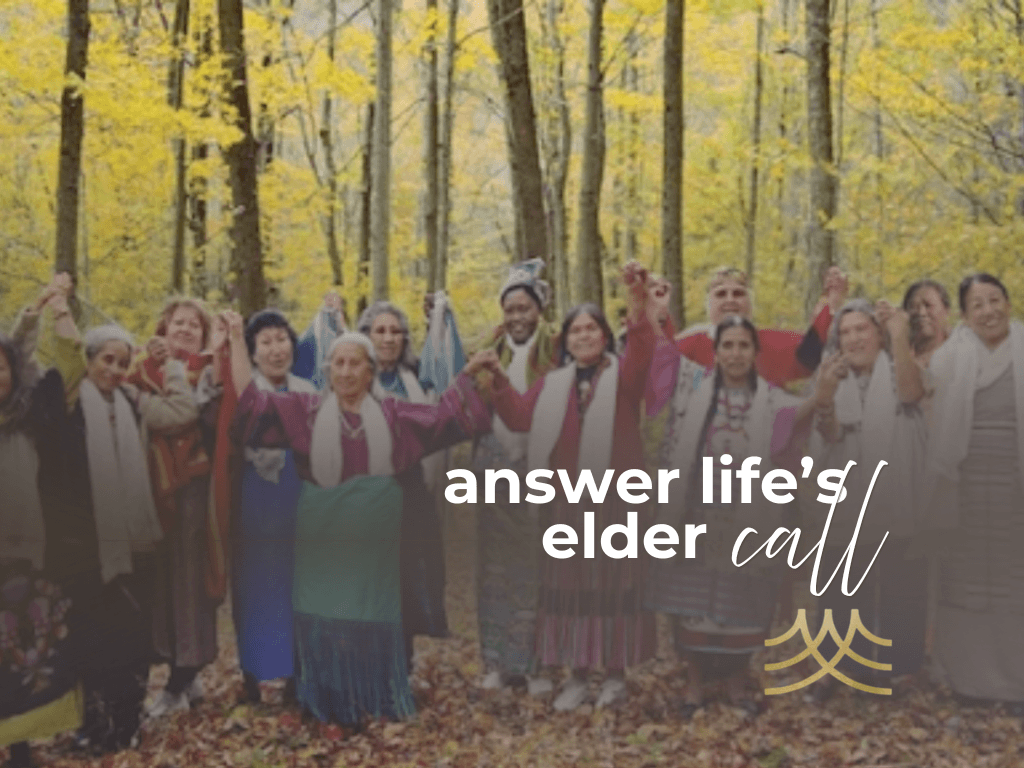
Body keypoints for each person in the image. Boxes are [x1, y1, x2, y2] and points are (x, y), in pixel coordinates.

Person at [227, 316, 492, 727]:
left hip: (375, 546)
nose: (346, 372)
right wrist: (234, 343)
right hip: (322, 541)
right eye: (339, 364)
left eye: (355, 364)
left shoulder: (393, 414)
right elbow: (252, 403)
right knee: (323, 617)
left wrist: (470, 375)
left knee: (369, 616)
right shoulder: (306, 411)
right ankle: (323, 698)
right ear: (328, 370)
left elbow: (443, 417)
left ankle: (374, 694)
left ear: (370, 371)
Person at [470, 262, 656, 711]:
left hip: (616, 505)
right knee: (571, 591)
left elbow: (645, 349)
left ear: (605, 336)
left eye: (592, 329)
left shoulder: (623, 379)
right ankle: (577, 675)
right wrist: (496, 376)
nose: (585, 337)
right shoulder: (552, 384)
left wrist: (637, 300)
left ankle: (613, 675)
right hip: (567, 508)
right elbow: (517, 417)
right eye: (576, 331)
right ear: (565, 340)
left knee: (612, 589)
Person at [41, 276, 196, 753]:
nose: (113, 368)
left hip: (136, 547)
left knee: (130, 645)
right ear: (88, 363)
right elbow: (64, 355)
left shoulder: (132, 403)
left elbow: (182, 412)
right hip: (82, 549)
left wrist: (169, 364)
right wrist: (59, 306)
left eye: (122, 362)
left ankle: (125, 726)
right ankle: (93, 728)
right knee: (88, 644)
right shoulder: (68, 405)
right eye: (105, 360)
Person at [645, 315, 816, 718]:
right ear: (716, 352)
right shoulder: (692, 392)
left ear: (755, 353)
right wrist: (653, 311)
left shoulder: (772, 399)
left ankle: (739, 680)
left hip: (748, 516)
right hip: (696, 511)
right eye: (728, 346)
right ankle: (694, 681)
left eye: (743, 346)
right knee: (692, 597)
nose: (735, 354)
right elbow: (660, 360)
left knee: (742, 600)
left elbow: (798, 420)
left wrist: (823, 390)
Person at [807, 298, 928, 702]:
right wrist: (824, 394)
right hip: (845, 493)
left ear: (877, 333)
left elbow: (912, 396)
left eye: (863, 329)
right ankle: (839, 666)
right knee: (840, 585)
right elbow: (826, 434)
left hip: (895, 487)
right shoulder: (829, 376)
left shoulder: (899, 370)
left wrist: (899, 336)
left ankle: (902, 670)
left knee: (901, 583)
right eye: (846, 332)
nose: (855, 338)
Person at [928, 274, 1024, 707]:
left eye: (995, 300)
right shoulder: (950, 357)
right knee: (966, 581)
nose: (989, 311)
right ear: (965, 316)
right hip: (962, 481)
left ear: (1008, 302)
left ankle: (1016, 681)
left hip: (1015, 479)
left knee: (1012, 579)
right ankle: (970, 682)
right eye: (978, 304)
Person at [131, 298, 225, 718]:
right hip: (149, 488)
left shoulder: (209, 371)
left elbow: (186, 418)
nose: (186, 330)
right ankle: (182, 673)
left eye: (194, 326)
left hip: (193, 488)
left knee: (190, 580)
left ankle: (181, 678)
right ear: (163, 330)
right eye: (178, 323)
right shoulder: (137, 368)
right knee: (160, 583)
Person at [470, 259, 560, 694]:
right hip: (492, 466)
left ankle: (536, 663)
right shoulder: (489, 350)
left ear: (539, 310)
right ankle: (496, 660)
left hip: (541, 469)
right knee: (494, 567)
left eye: (525, 308)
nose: (517, 317)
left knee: (538, 565)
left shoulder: (556, 352)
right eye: (510, 309)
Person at [357, 300, 461, 671]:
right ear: (365, 337)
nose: (388, 339)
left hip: (411, 491)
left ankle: (402, 662)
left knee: (407, 578)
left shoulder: (418, 380)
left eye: (395, 331)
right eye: (379, 331)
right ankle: (368, 665)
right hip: (364, 495)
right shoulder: (352, 377)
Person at [1, 289, 79, 768]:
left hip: (27, 553)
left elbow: (69, 367)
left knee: (22, 655)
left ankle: (22, 746)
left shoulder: (32, 415)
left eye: (1, 367)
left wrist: (54, 313)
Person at [232, 310, 316, 705]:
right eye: (265, 342)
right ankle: (263, 674)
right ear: (252, 352)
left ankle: (302, 670)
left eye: (281, 339)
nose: (275, 349)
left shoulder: (308, 389)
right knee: (262, 582)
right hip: (260, 493)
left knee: (300, 579)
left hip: (301, 490)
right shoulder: (246, 390)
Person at [675, 266, 848, 388]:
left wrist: (832, 302)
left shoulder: (772, 341)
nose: (730, 300)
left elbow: (812, 353)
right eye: (721, 294)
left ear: (750, 303)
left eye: (738, 293)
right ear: (709, 305)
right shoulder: (689, 345)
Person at [902, 279, 951, 368]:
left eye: (928, 305)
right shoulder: (897, 356)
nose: (921, 313)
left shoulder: (962, 354)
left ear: (946, 310)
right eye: (913, 307)